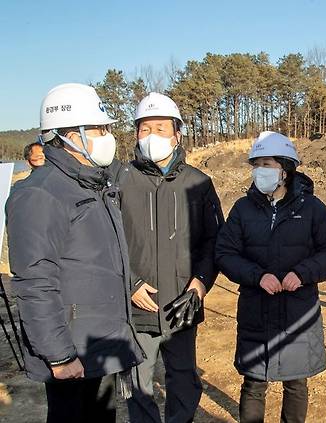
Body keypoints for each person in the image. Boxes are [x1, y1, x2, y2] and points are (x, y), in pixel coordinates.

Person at [5, 83, 142, 423]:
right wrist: (59, 355)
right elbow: (35, 282)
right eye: (99, 129)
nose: (107, 136)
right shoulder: (41, 194)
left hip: (101, 341)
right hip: (72, 350)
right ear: (69, 135)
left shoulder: (93, 185)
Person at [215, 131, 326, 423]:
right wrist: (257, 276)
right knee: (253, 382)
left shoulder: (311, 209)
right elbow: (224, 253)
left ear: (286, 169)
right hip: (255, 311)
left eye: (267, 164)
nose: (260, 171)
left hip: (297, 311)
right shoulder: (242, 208)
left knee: (296, 382)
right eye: (256, 164)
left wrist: (302, 273)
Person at [115, 92, 224, 423]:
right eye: (144, 129)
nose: (152, 137)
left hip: (182, 305)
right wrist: (129, 282)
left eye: (160, 128)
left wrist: (201, 284)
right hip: (137, 307)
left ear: (177, 134)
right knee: (137, 385)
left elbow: (213, 242)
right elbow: (107, 242)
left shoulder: (199, 183)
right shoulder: (120, 180)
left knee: (183, 383)